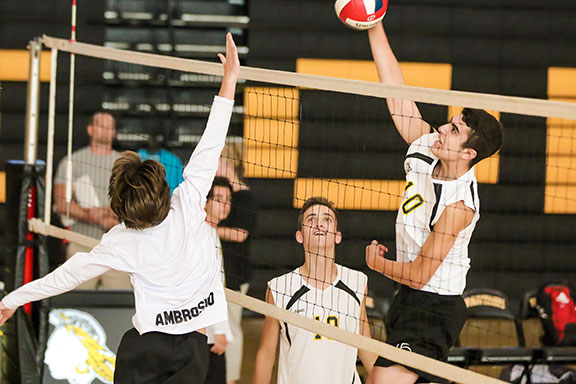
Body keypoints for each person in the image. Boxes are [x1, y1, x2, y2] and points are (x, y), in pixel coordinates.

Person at [0, 32, 240, 383]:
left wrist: (12, 299)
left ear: (120, 208)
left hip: (143, 348)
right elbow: (212, 140)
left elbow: (65, 277)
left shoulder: (120, 239)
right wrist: (230, 78)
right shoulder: (188, 203)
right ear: (163, 187)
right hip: (191, 350)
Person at [365, 22, 504, 384]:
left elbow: (418, 274)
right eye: (450, 123)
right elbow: (395, 90)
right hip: (409, 297)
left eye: (454, 131)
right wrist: (374, 27)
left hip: (434, 305)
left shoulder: (460, 206)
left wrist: (377, 265)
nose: (442, 128)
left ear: (469, 153)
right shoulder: (428, 148)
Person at [253, 197, 376, 384]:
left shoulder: (357, 282)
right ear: (299, 236)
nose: (319, 224)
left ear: (337, 236)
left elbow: (365, 344)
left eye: (327, 219)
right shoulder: (279, 288)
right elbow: (266, 354)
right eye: (311, 220)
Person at [53, 111, 130, 290]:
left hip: (118, 244)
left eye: (109, 126)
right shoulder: (72, 161)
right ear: (90, 129)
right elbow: (62, 203)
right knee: (77, 300)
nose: (105, 130)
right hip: (82, 242)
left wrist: (112, 217)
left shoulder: (125, 163)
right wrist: (95, 217)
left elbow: (135, 203)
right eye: (100, 125)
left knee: (121, 301)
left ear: (114, 132)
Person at [216, 144, 257, 384]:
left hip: (235, 273)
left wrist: (211, 228)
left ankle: (231, 378)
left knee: (232, 326)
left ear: (229, 164)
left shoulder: (245, 197)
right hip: (219, 272)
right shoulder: (221, 194)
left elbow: (240, 233)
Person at [204, 176, 235, 384]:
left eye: (228, 200)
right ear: (205, 202)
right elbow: (211, 286)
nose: (225, 204)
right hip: (206, 335)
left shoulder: (210, 232)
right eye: (219, 198)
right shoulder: (204, 234)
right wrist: (220, 332)